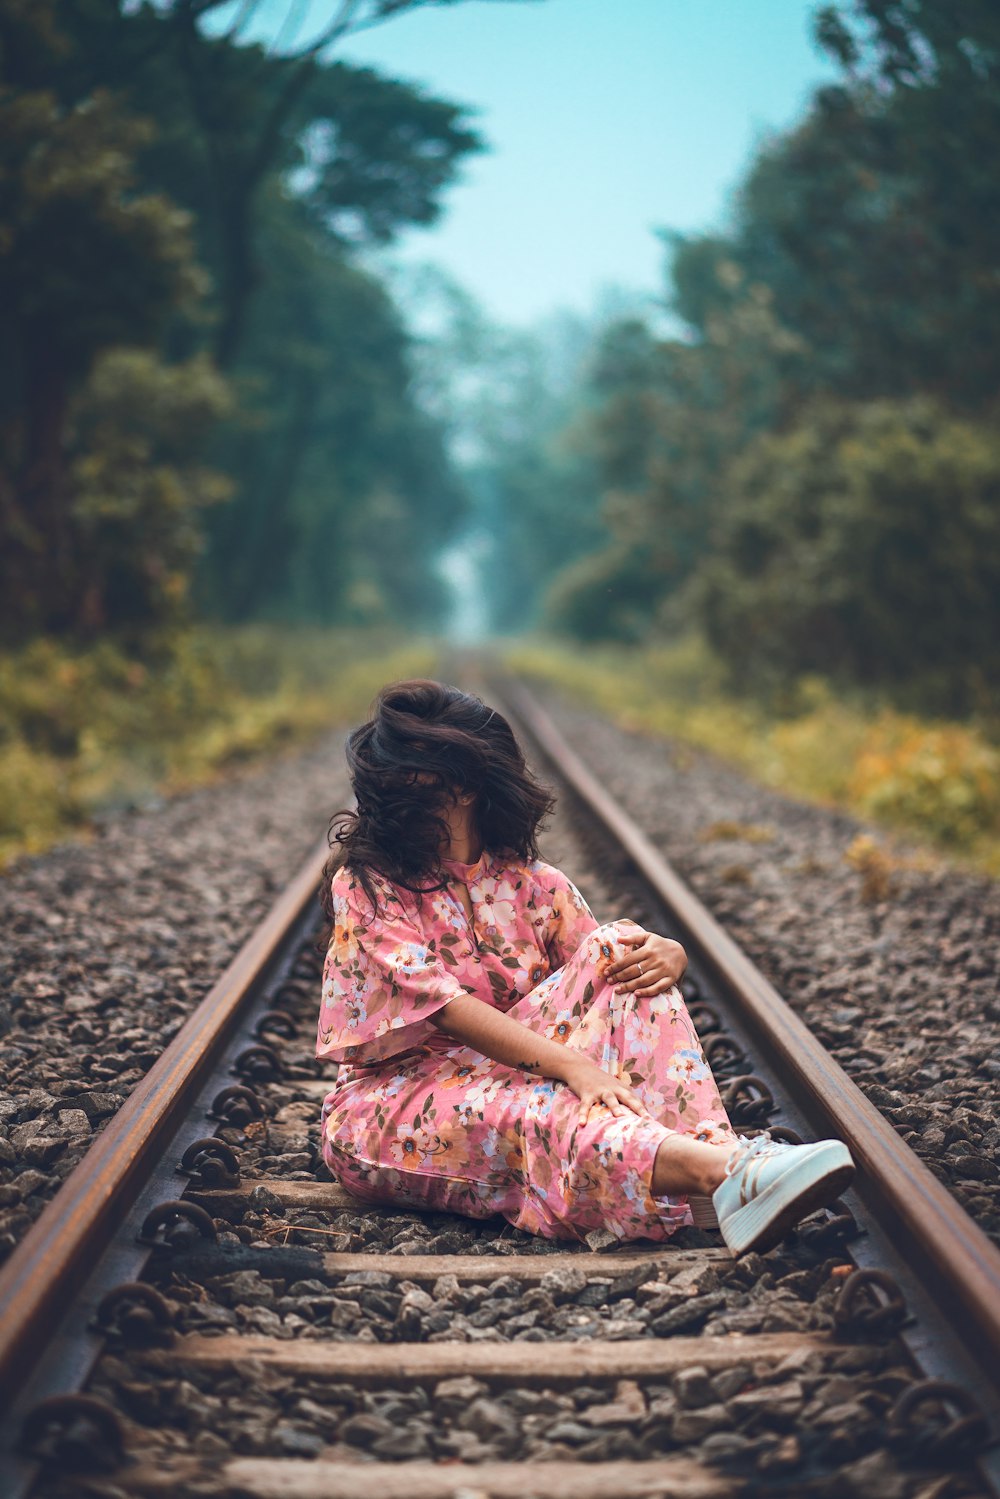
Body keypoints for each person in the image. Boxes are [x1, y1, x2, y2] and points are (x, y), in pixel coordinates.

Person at [316, 679, 854, 1256]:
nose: (387, 785)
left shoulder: (531, 882)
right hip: (391, 1104)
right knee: (544, 1108)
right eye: (384, 773)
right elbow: (446, 1009)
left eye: (406, 770)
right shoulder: (369, 884)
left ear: (466, 783)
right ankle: (726, 1172)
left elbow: (602, 978)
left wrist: (670, 953)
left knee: (623, 948)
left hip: (504, 1076)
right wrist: (574, 1067)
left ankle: (713, 1165)